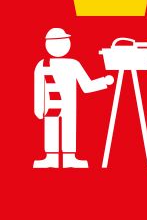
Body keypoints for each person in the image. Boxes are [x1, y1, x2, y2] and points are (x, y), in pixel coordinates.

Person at [33, 27, 111, 168]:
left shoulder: (72, 64)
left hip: (67, 105)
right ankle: (51, 158)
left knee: (68, 129)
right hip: (51, 105)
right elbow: (38, 87)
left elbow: (86, 86)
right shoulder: (42, 65)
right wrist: (38, 107)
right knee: (51, 129)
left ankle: (69, 158)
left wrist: (103, 82)